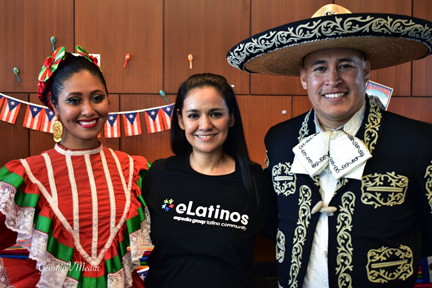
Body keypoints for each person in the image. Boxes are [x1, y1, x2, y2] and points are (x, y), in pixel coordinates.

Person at [226, 4, 432, 288]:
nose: (332, 80)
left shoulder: (419, 141)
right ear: (303, 77)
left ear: (366, 69)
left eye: (345, 65)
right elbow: (273, 219)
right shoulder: (279, 139)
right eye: (320, 68)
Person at [0, 46, 151, 287]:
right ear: (55, 106)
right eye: (74, 100)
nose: (89, 110)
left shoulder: (133, 170)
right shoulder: (27, 175)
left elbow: (172, 217)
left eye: (97, 98)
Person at [141, 73, 278, 287]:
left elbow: (287, 237)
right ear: (180, 120)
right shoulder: (158, 174)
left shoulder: (255, 182)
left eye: (215, 114)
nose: (205, 125)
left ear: (231, 117)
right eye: (193, 115)